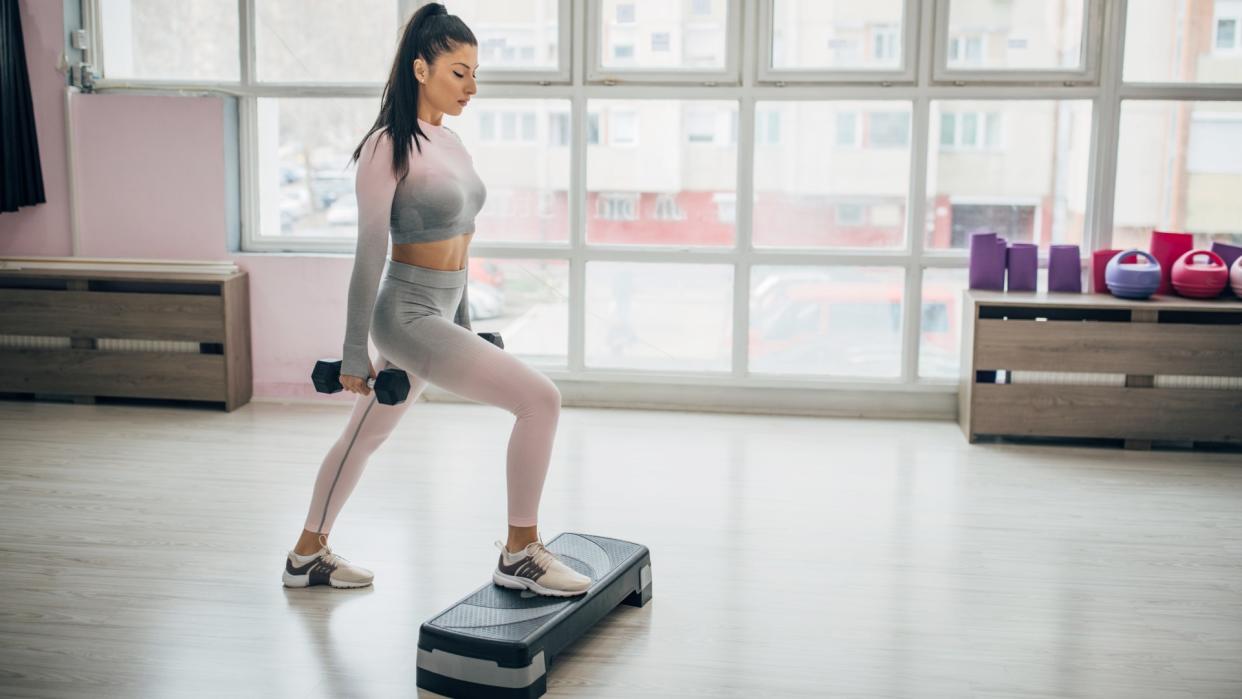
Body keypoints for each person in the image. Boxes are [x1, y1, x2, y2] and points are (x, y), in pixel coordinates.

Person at [282, 3, 590, 598]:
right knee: (540, 400)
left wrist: (470, 324)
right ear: (420, 68)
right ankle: (520, 552)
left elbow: (463, 243)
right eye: (459, 71)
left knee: (364, 437)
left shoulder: (450, 142)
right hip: (405, 316)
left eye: (476, 73)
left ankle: (306, 554)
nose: (471, 86)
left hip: (443, 313)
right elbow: (370, 250)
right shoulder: (386, 146)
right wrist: (353, 352)